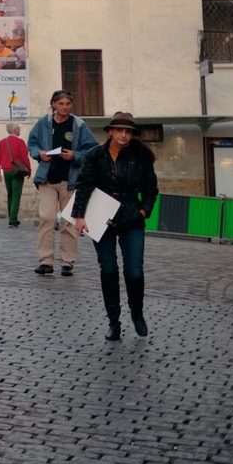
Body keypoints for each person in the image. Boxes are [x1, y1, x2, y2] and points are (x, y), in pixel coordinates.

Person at [74, 111, 160, 340]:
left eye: (128, 132)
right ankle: (114, 321)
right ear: (110, 131)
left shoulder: (140, 156)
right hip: (102, 215)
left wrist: (143, 210)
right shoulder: (95, 155)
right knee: (108, 269)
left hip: (131, 216)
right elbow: (83, 186)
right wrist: (79, 217)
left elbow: (151, 188)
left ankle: (137, 314)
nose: (123, 135)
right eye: (119, 130)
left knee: (134, 269)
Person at [27, 90, 98, 276]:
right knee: (47, 218)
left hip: (70, 180)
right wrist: (39, 153)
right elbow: (32, 144)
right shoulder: (43, 123)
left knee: (68, 222)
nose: (65, 107)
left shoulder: (79, 125)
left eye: (68, 104)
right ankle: (45, 260)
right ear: (53, 104)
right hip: (47, 179)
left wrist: (75, 155)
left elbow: (92, 149)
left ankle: (67, 262)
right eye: (61, 104)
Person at [0, 122, 30, 227]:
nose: (19, 130)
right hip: (17, 171)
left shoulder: (2, 142)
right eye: (18, 128)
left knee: (10, 194)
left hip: (6, 171)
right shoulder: (20, 142)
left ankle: (12, 217)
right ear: (14, 130)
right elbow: (25, 157)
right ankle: (13, 220)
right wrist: (29, 170)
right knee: (16, 195)